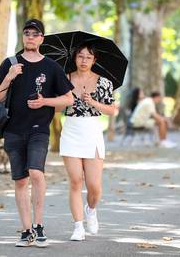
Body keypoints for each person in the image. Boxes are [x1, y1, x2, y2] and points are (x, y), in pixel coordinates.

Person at [0, 19, 74, 247]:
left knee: (36, 173)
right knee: (20, 181)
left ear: (41, 39)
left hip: (39, 130)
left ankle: (39, 225)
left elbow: (69, 99)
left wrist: (45, 101)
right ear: (23, 37)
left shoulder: (51, 67)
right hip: (13, 131)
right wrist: (9, 76)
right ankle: (26, 231)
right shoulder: (10, 63)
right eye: (27, 33)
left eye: (35, 34)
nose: (30, 37)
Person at [60, 43, 117, 241]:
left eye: (88, 57)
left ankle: (90, 209)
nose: (83, 61)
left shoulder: (104, 83)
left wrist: (93, 102)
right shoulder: (64, 78)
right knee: (76, 181)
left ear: (94, 60)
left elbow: (112, 110)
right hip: (71, 131)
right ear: (74, 58)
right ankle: (78, 227)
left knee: (94, 186)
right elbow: (58, 106)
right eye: (80, 56)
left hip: (92, 131)